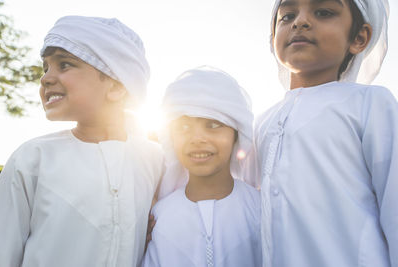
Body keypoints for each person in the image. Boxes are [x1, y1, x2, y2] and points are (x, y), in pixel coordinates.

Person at [0, 16, 163, 267]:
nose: (45, 78)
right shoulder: (32, 158)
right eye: (46, 67)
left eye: (64, 65)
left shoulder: (155, 160)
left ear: (117, 87)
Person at [251, 0, 397, 266]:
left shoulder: (370, 104)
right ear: (272, 36)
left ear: (359, 37)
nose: (300, 22)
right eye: (287, 16)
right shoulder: (261, 123)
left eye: (324, 12)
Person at [142, 66, 262, 266]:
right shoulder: (159, 218)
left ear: (236, 135)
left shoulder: (261, 209)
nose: (197, 139)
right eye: (184, 127)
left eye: (213, 125)